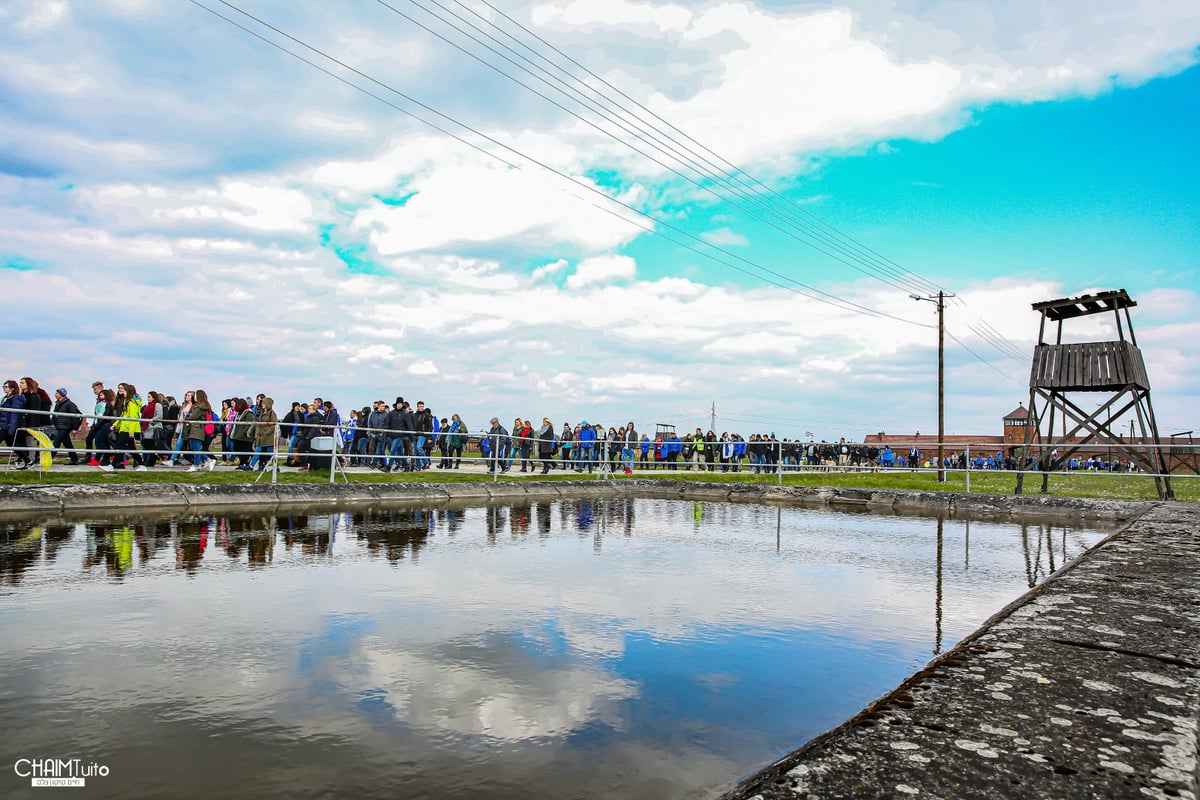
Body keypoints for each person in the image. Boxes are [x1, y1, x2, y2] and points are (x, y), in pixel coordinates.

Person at [103, 383, 143, 471]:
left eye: (124, 390)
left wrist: (131, 431)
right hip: (124, 427)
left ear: (128, 392)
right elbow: (123, 416)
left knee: (120, 447)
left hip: (128, 428)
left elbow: (133, 418)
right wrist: (115, 424)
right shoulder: (127, 402)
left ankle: (112, 466)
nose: (122, 392)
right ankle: (141, 464)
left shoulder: (132, 403)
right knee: (131, 448)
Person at [184, 389, 216, 472]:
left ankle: (198, 464)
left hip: (197, 430)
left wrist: (189, 415)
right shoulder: (201, 406)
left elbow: (192, 417)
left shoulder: (200, 407)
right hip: (196, 429)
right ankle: (206, 461)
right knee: (195, 448)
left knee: (196, 448)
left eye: (194, 396)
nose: (193, 397)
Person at [50, 387, 84, 465]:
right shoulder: (58, 404)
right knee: (67, 443)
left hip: (65, 426)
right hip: (60, 426)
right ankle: (74, 459)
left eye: (57, 393)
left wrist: (75, 427)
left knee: (56, 442)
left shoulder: (69, 404)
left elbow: (77, 415)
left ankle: (50, 458)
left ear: (62, 394)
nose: (55, 394)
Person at [0, 380, 27, 465]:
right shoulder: (6, 398)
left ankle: (28, 461)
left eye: (6, 387)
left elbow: (14, 415)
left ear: (12, 388)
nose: (4, 388)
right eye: (3, 386)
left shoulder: (16, 399)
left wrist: (11, 428)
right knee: (12, 444)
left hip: (7, 426)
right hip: (4, 425)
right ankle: (28, 461)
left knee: (13, 444)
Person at [251, 396, 278, 471]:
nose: (262, 404)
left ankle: (276, 467)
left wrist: (266, 432)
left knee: (270, 451)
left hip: (268, 437)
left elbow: (274, 424)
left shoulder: (272, 413)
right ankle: (251, 465)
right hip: (261, 436)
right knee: (259, 450)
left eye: (264, 403)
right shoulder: (262, 413)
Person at [229, 398, 256, 470]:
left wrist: (245, 432)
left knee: (245, 450)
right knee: (237, 449)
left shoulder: (249, 413)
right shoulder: (238, 414)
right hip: (237, 436)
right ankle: (242, 463)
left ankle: (245, 463)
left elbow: (251, 424)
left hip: (245, 437)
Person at [82, 381, 105, 464]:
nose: (94, 391)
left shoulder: (104, 399)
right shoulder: (99, 399)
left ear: (100, 388)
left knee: (100, 441)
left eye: (95, 389)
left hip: (100, 423)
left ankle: (102, 457)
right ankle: (90, 457)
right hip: (96, 423)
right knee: (90, 439)